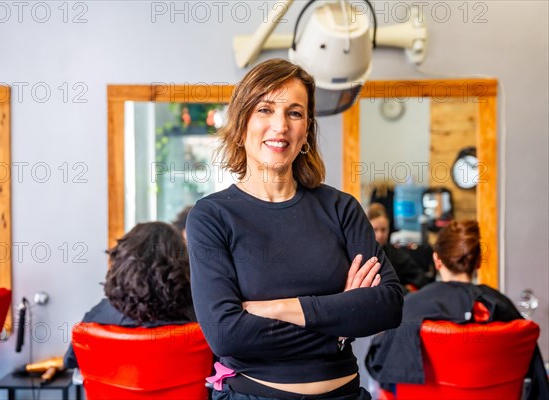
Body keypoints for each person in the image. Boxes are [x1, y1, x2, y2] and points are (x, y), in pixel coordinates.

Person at [186, 58, 404, 400]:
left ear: (306, 131)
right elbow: (226, 334)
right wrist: (339, 322)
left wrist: (276, 308)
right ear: (242, 124)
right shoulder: (212, 217)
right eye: (265, 109)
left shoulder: (341, 208)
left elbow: (388, 306)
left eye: (295, 113)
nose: (280, 125)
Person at [365, 220, 549, 399]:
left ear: (437, 259)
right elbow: (537, 380)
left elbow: (379, 367)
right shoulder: (502, 308)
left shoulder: (409, 308)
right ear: (477, 261)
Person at [63, 222, 194, 369]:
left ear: (122, 263)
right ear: (182, 263)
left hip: (110, 393)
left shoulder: (96, 318)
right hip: (183, 392)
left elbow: (70, 361)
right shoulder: (199, 319)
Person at [367, 203, 430, 293]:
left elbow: (420, 278)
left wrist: (408, 290)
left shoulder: (396, 253)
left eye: (383, 230)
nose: (380, 235)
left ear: (389, 229)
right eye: (375, 229)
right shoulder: (360, 255)